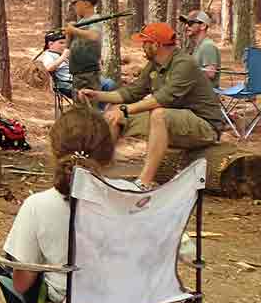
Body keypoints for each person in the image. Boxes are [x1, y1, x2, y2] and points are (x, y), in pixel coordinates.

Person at [0, 108, 122, 303]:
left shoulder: (38, 206)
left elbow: (21, 284)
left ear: (55, 151)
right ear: (108, 151)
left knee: (8, 267)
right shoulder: (132, 198)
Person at [80, 22, 225, 190]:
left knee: (158, 114)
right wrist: (98, 95)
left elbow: (161, 99)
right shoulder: (155, 63)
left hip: (205, 126)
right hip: (175, 120)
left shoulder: (184, 64)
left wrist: (125, 109)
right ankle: (96, 174)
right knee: (113, 115)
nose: (142, 46)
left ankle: (144, 182)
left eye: (145, 42)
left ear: (156, 45)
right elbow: (132, 92)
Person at [63, 0, 102, 102]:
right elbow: (68, 46)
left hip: (88, 75)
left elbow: (94, 36)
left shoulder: (95, 19)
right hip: (78, 74)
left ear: (86, 4)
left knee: (87, 108)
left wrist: (74, 30)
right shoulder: (81, 23)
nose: (75, 7)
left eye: (77, 3)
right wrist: (69, 34)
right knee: (79, 107)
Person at [180, 10, 221, 83]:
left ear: (203, 26)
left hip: (204, 94)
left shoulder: (208, 46)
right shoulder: (197, 46)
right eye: (186, 23)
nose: (186, 26)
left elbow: (210, 74)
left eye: (190, 23)